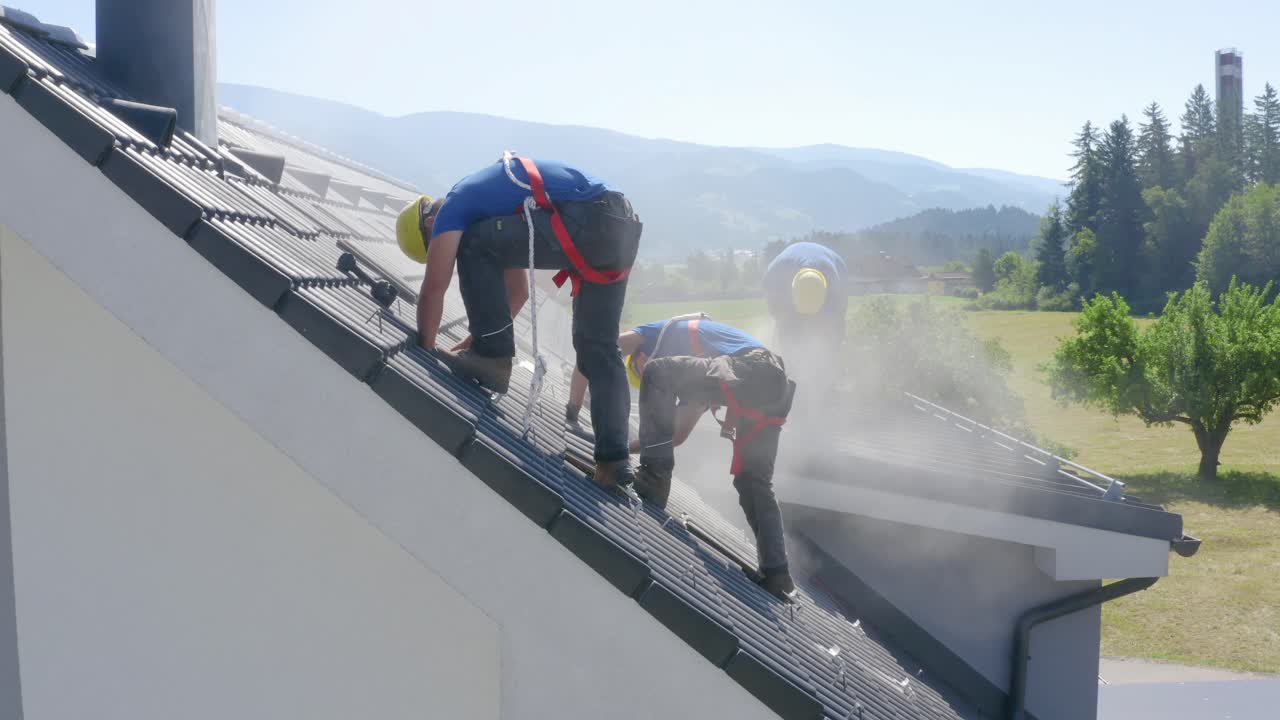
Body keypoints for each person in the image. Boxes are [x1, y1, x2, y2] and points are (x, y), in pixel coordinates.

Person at [396, 154, 642, 488]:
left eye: (436, 245)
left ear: (429, 223)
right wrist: (474, 343)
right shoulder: (495, 206)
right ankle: (614, 461)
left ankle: (493, 358)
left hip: (590, 216)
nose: (443, 249)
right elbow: (517, 294)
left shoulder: (455, 204)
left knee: (473, 241)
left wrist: (427, 350)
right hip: (619, 227)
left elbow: (433, 289)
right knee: (597, 345)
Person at [568, 315, 799, 600]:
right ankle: (777, 572)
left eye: (638, 369)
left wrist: (573, 408)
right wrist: (619, 448)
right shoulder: (703, 376)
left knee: (658, 372)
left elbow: (598, 349)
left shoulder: (663, 333)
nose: (643, 376)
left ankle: (653, 477)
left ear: (640, 354)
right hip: (773, 389)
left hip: (754, 368)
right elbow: (675, 434)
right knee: (753, 481)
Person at [762, 241, 848, 385]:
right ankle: (787, 377)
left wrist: (831, 350)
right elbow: (775, 311)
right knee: (786, 330)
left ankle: (826, 379)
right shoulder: (777, 273)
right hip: (788, 287)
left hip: (829, 283)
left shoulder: (835, 280)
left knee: (831, 335)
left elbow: (838, 319)